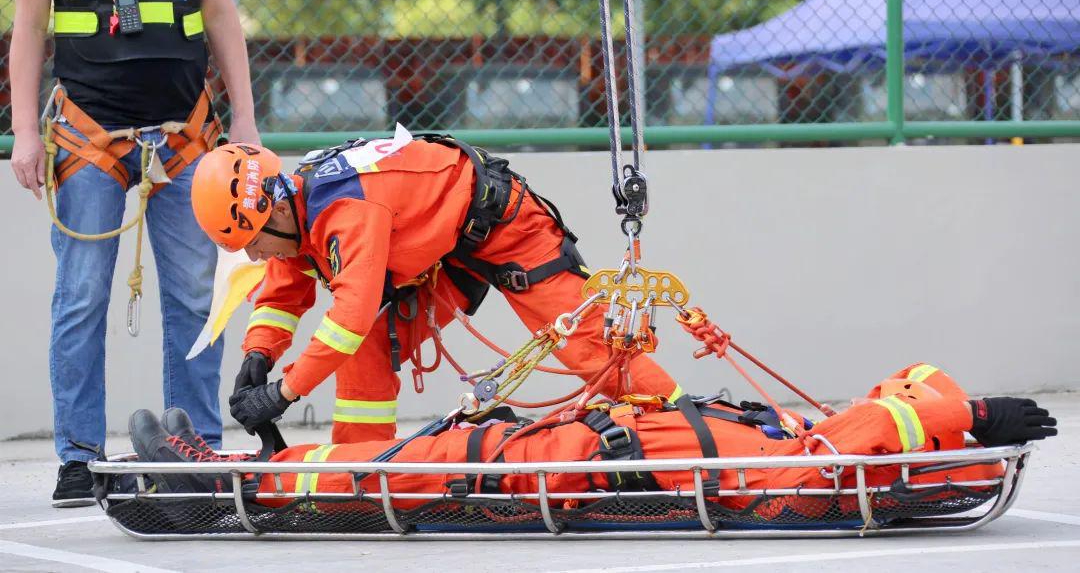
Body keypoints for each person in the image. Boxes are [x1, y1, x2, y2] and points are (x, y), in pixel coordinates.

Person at [189, 135, 684, 444]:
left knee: (594, 349)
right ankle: (362, 472)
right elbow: (281, 295)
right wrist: (258, 358)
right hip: (443, 244)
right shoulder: (293, 210)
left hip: (503, 224)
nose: (255, 256)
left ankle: (692, 432)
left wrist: (284, 392)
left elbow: (350, 318)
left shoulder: (345, 210)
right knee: (367, 356)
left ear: (272, 210)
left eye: (253, 243)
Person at [126, 363, 1057, 516]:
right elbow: (888, 409)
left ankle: (225, 483)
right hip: (582, 437)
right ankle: (254, 471)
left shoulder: (825, 468)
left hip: (572, 462)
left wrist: (966, 420)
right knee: (408, 459)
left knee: (401, 471)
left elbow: (857, 447)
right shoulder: (822, 438)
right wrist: (956, 410)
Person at [9, 0, 260, 507]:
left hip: (186, 136)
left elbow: (219, 14)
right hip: (86, 136)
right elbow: (28, 27)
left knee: (196, 296)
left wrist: (245, 119)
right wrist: (26, 132)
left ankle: (196, 450)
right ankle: (79, 458)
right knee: (81, 297)